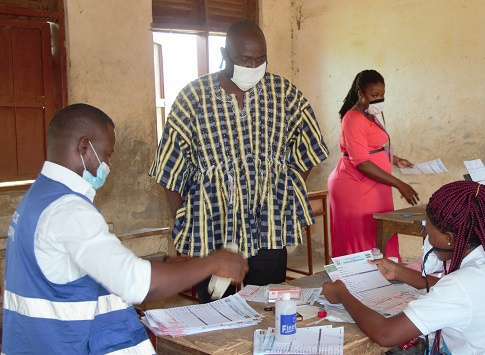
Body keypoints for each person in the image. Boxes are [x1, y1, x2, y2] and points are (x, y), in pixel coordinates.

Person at [2, 104, 248, 354]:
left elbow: (78, 267)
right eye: (107, 154)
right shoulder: (69, 210)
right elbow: (138, 285)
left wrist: (172, 264)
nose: (109, 164)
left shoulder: (39, 198)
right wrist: (214, 263)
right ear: (84, 147)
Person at [149, 21, 329, 303]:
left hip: (268, 230)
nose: (254, 66)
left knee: (268, 306)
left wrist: (283, 190)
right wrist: (185, 223)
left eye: (260, 60)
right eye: (245, 60)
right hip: (212, 232)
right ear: (225, 53)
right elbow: (169, 169)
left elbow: (310, 147)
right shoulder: (193, 98)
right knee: (215, 311)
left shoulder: (285, 94)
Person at [322, 181, 485, 354]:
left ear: (449, 238)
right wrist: (400, 272)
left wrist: (343, 293)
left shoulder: (461, 286)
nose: (427, 238)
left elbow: (385, 333)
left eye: (429, 232)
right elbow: (471, 295)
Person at [328, 69, 419, 259]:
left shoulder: (369, 114)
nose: (379, 99)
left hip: (375, 186)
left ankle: (386, 277)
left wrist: (395, 160)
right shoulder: (353, 118)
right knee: (362, 238)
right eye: (374, 95)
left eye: (382, 95)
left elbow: (371, 146)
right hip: (355, 185)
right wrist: (399, 183)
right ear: (361, 94)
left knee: (379, 234)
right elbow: (361, 162)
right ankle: (359, 284)